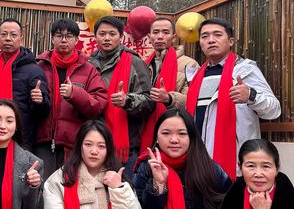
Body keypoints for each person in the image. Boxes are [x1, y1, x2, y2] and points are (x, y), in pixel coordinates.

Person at [186, 18, 280, 178]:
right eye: (205, 36)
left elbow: (274, 110)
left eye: (217, 35)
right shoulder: (196, 77)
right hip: (199, 164)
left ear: (230, 41)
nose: (211, 40)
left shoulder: (245, 70)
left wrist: (251, 96)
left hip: (233, 163)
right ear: (200, 43)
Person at [35, 19, 108, 178]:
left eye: (69, 36)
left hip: (73, 143)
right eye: (59, 36)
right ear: (52, 39)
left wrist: (75, 94)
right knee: (41, 186)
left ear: (76, 40)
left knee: (68, 186)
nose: (63, 40)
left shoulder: (88, 69)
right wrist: (35, 99)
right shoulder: (39, 66)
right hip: (42, 141)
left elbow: (99, 105)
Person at [88, 16, 153, 164]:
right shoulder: (88, 63)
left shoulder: (135, 62)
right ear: (95, 36)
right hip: (92, 140)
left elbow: (149, 102)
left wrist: (127, 101)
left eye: (112, 34)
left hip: (125, 145)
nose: (107, 38)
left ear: (121, 36)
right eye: (102, 34)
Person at [0, 18, 50, 148]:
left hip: (20, 141)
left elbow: (43, 113)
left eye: (13, 35)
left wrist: (40, 101)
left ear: (21, 39)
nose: (8, 39)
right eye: (4, 34)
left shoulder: (34, 71)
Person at [140, 17, 198, 153]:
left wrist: (169, 99)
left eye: (165, 32)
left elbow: (193, 101)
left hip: (175, 133)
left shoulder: (189, 65)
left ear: (174, 37)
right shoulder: (143, 64)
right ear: (149, 37)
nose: (160, 36)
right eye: (156, 32)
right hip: (144, 130)